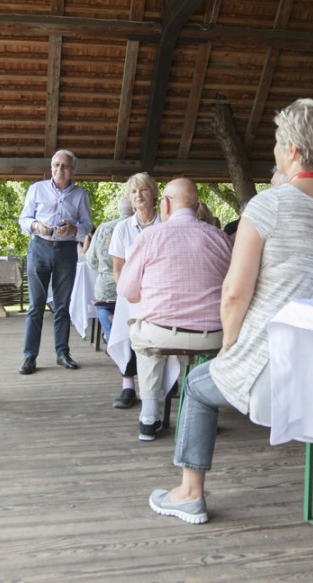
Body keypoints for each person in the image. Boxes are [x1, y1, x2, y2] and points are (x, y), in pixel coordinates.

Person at [148, 98, 313, 523]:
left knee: (196, 385)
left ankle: (189, 493)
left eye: (276, 143)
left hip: (275, 365)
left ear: (292, 151)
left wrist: (230, 345)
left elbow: (234, 293)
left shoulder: (269, 206)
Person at [117, 178, 231, 441]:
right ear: (198, 205)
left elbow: (129, 292)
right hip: (213, 334)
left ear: (165, 204)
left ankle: (149, 416)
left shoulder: (150, 236)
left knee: (141, 334)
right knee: (199, 352)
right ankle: (204, 411)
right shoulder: (220, 238)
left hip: (162, 334)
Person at [17, 149, 92, 375]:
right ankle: (29, 357)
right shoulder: (36, 189)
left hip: (66, 250)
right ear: (51, 167)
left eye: (65, 166)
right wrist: (36, 226)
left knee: (62, 306)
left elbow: (87, 225)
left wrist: (74, 229)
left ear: (73, 170)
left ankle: (62, 353)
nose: (60, 169)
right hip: (39, 247)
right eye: (56, 165)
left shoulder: (80, 195)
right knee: (36, 306)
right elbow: (24, 218)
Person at [107, 172, 159, 408]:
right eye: (134, 191)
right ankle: (128, 387)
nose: (139, 195)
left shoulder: (165, 224)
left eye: (144, 190)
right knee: (127, 336)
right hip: (131, 295)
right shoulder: (122, 229)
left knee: (159, 338)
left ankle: (164, 385)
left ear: (154, 193)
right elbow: (118, 269)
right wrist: (128, 295)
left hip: (160, 296)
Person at [85, 195, 133, 343]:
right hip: (133, 286)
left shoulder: (104, 228)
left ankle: (110, 335)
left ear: (119, 209)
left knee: (104, 306)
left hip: (107, 286)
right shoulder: (139, 227)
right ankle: (125, 340)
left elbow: (91, 261)